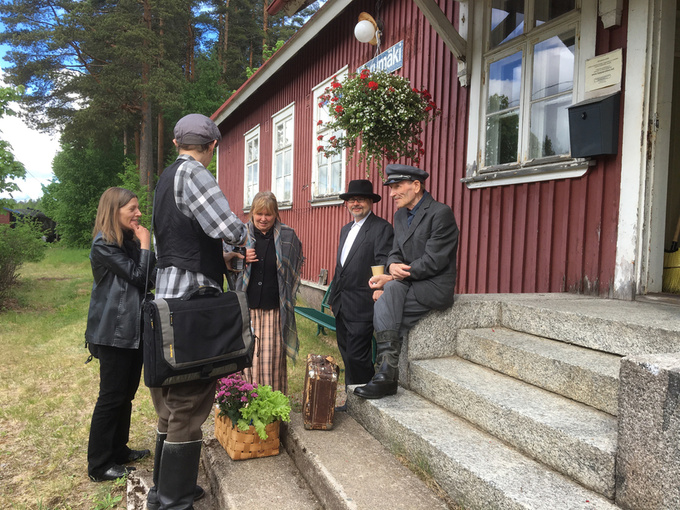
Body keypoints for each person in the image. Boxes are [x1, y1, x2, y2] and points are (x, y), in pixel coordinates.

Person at [148, 113, 247, 510]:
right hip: (192, 303)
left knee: (170, 402)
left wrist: (217, 258)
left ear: (176, 143)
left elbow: (176, 243)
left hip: (166, 301)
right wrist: (241, 237)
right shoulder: (194, 174)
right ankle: (174, 502)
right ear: (212, 146)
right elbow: (228, 226)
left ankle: (162, 491)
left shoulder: (165, 178)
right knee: (189, 402)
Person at [354, 164, 459, 400]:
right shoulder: (400, 215)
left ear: (416, 185)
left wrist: (391, 276)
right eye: (391, 188)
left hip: (432, 285)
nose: (392, 194)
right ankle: (385, 376)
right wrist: (392, 265)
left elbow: (433, 261)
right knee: (388, 294)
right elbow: (395, 252)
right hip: (406, 283)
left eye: (397, 187)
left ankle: (385, 376)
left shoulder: (440, 213)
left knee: (385, 303)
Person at [85, 187, 156, 482]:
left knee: (126, 394)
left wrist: (142, 246)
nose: (138, 214)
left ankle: (118, 449)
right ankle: (99, 465)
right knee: (111, 397)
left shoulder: (127, 242)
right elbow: (140, 276)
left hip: (133, 329)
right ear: (114, 211)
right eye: (132, 209)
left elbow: (150, 277)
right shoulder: (104, 244)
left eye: (138, 208)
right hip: (113, 333)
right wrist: (146, 244)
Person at [226, 191, 304, 394]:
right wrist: (238, 258)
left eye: (268, 214)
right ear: (251, 213)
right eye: (259, 213)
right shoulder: (239, 236)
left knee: (271, 359)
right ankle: (246, 399)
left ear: (276, 214)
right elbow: (225, 264)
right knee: (247, 357)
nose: (263, 218)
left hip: (274, 308)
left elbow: (293, 267)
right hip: (246, 308)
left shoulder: (288, 236)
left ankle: (272, 403)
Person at [328, 180, 393, 391]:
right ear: (347, 203)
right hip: (342, 304)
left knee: (358, 356)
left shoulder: (381, 228)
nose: (356, 203)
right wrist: (333, 298)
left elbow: (382, 261)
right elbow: (341, 267)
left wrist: (380, 289)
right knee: (347, 354)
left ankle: (364, 398)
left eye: (361, 199)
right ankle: (353, 398)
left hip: (362, 303)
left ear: (370, 202)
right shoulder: (345, 229)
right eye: (352, 200)